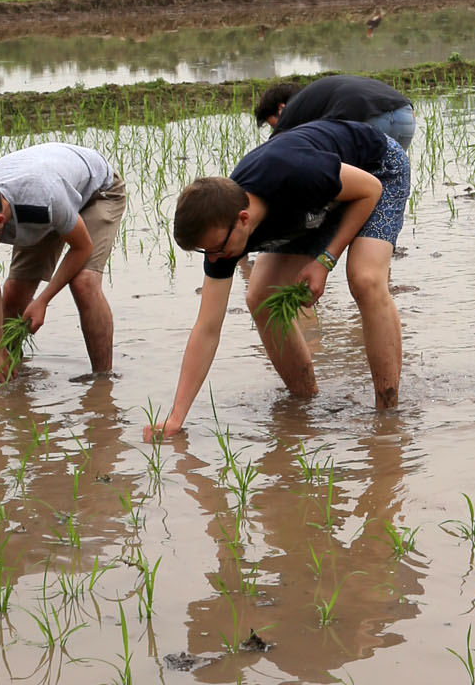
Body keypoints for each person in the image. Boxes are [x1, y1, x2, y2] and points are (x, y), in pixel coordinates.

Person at [143, 118, 409, 439]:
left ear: (243, 219)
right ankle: (306, 404)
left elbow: (369, 190)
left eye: (215, 249)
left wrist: (325, 260)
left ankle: (388, 413)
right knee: (261, 298)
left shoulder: (294, 173)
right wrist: (175, 419)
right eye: (205, 252)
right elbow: (207, 327)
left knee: (364, 279)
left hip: (375, 172)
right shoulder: (221, 233)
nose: (213, 259)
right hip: (314, 203)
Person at [0, 141, 128, 380]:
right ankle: (11, 376)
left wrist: (43, 300)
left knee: (84, 282)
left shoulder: (43, 201)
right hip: (49, 195)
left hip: (98, 191)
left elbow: (82, 247)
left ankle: (102, 381)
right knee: (14, 295)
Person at [254, 74, 415, 150]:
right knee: (387, 184)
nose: (277, 129)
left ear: (281, 108)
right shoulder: (317, 98)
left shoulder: (291, 110)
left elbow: (274, 151)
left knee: (352, 187)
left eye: (274, 125)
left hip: (370, 118)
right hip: (406, 115)